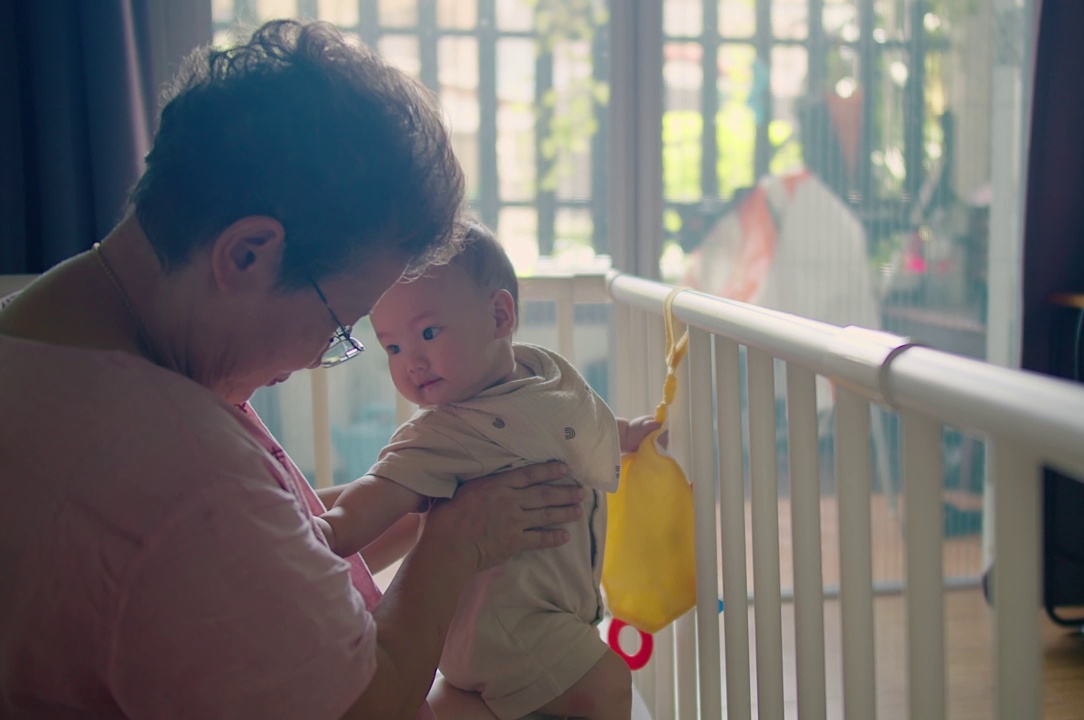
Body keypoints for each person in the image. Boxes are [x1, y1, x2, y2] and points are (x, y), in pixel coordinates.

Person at [0, 20, 587, 719]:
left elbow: (257, 540)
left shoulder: (46, 337)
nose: (319, 358)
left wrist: (411, 502)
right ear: (248, 255)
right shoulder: (186, 479)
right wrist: (456, 545)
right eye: (339, 322)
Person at [316, 220, 657, 720]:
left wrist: (629, 436)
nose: (410, 362)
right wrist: (333, 529)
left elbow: (584, 420)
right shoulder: (443, 432)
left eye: (428, 333)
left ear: (500, 317)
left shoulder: (544, 377)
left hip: (537, 614)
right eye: (392, 348)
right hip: (505, 629)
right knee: (605, 681)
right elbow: (382, 488)